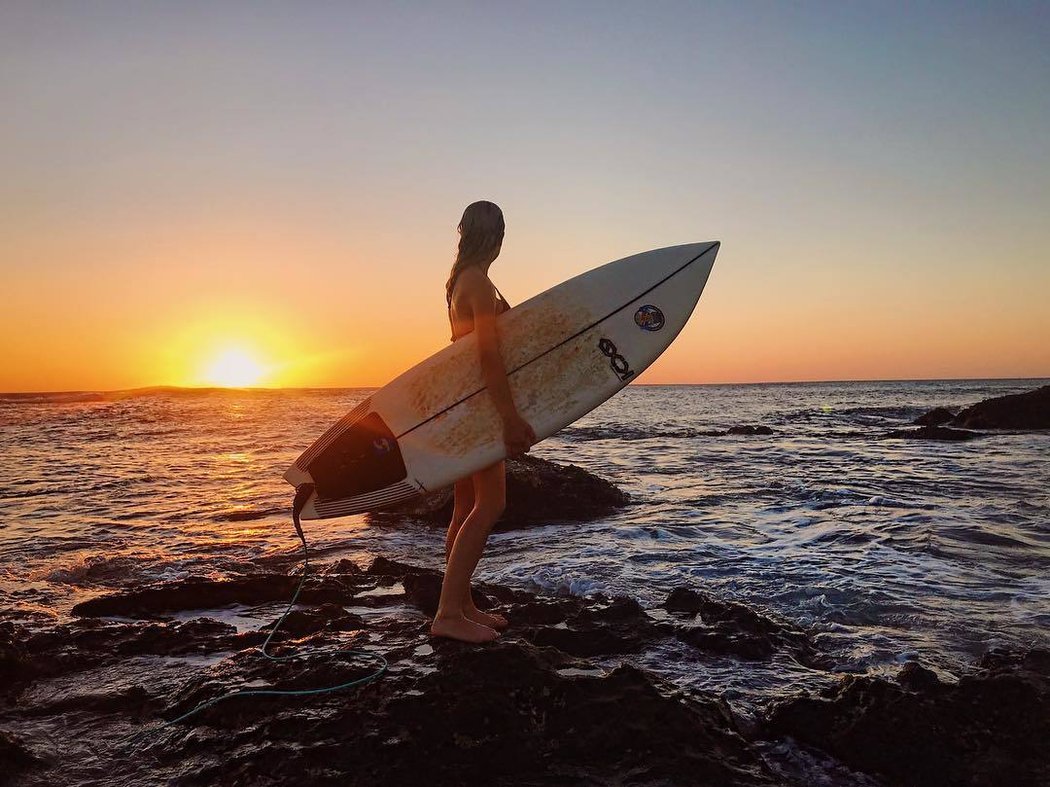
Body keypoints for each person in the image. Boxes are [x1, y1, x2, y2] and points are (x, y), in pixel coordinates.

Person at [430, 200, 536, 643]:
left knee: (463, 505)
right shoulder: (477, 283)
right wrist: (510, 418)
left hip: (463, 404)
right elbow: (488, 355)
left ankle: (461, 603)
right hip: (478, 406)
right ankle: (447, 615)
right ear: (495, 235)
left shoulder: (464, 281)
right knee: (490, 504)